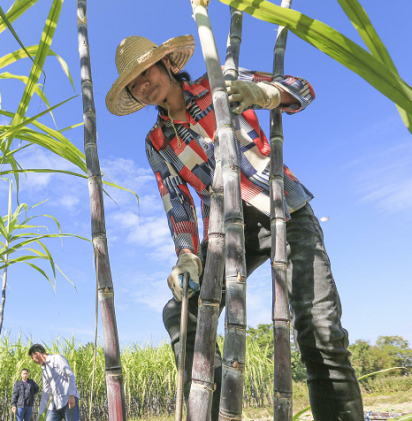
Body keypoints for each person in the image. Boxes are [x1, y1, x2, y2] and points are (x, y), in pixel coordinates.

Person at [105, 32, 364, 420]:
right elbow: (177, 201)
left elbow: (302, 89)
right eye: (134, 84)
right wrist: (187, 254)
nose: (144, 86)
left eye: (146, 72)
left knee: (319, 328)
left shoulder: (217, 80)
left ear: (166, 64)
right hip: (226, 231)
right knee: (180, 313)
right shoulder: (157, 141)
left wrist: (264, 95)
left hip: (282, 208)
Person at [29, 344, 80, 421]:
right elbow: (46, 392)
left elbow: (70, 375)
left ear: (37, 354)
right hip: (55, 403)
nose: (34, 361)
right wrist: (40, 414)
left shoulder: (57, 359)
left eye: (33, 358)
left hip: (68, 399)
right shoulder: (44, 370)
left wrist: (72, 396)